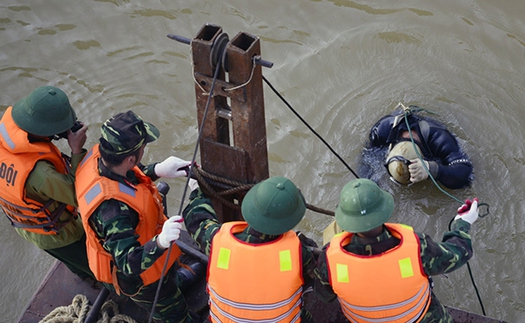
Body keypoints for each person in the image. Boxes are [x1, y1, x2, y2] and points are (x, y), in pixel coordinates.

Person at [75, 110, 203, 323]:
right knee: (173, 312)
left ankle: (174, 283)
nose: (145, 149)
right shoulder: (112, 211)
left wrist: (158, 170)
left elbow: (128, 176)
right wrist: (161, 242)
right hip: (141, 279)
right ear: (131, 157)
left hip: (148, 251)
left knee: (169, 282)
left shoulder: (101, 156)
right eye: (144, 147)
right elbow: (129, 264)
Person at [314, 178, 480, 322]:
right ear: (384, 209)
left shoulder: (330, 258)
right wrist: (463, 223)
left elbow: (325, 296)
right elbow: (459, 253)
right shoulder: (417, 247)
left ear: (347, 220)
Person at [182, 176, 319, 323]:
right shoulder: (299, 253)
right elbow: (311, 276)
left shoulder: (217, 242)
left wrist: (196, 191)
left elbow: (197, 220)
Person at [0, 85, 94, 280]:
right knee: (92, 264)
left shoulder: (7, 140)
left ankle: (83, 275)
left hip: (27, 226)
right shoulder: (41, 173)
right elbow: (79, 195)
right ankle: (98, 279)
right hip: (58, 234)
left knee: (75, 263)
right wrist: (77, 150)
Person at [365, 103, 473, 189]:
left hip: (430, 126)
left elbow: (466, 172)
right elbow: (366, 160)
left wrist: (432, 169)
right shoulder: (381, 131)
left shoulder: (440, 138)